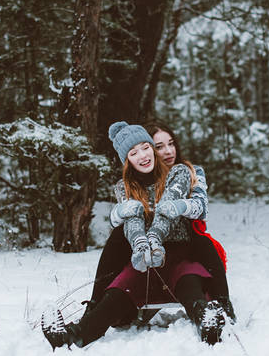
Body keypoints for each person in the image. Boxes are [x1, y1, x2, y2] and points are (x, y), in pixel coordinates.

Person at [41, 121, 230, 350]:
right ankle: (72, 335)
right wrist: (140, 241)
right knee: (119, 292)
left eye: (146, 147)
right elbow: (132, 223)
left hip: (180, 253)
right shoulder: (125, 186)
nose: (144, 155)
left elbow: (179, 207)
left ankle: (210, 321)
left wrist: (162, 228)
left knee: (189, 285)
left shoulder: (181, 172)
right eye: (134, 152)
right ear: (127, 159)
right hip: (146, 258)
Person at [84, 118, 234, 314]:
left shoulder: (189, 171)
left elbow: (201, 207)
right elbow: (129, 214)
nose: (168, 151)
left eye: (171, 144)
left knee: (201, 241)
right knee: (119, 235)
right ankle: (95, 304)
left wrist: (179, 206)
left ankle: (223, 302)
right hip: (146, 243)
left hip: (185, 239)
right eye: (160, 146)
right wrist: (118, 215)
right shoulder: (133, 182)